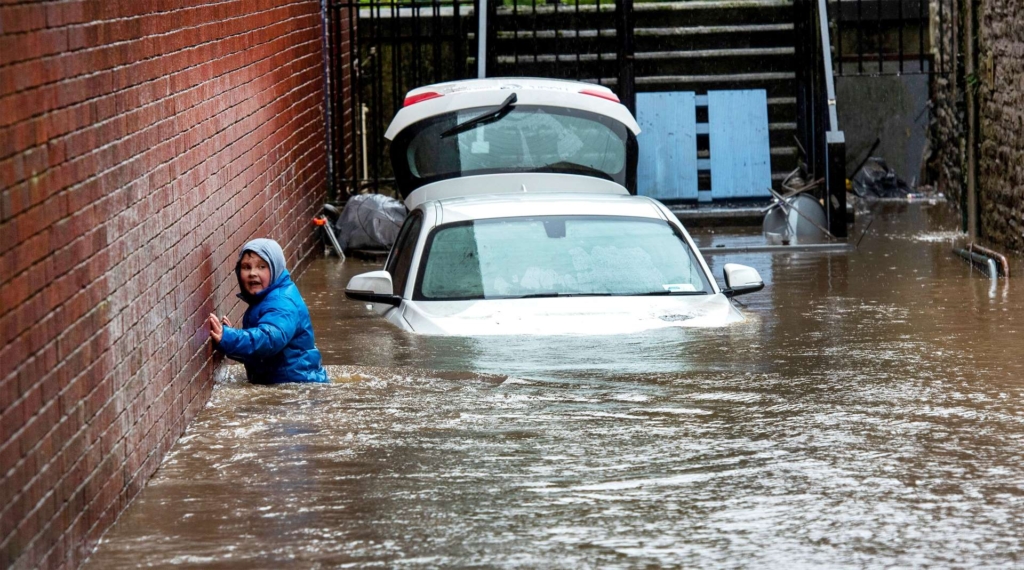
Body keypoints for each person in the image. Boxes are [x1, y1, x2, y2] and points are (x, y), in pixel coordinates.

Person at [207, 238, 329, 384]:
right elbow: (261, 355)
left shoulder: (282, 303)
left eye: (262, 267)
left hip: (297, 388)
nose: (253, 273)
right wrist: (229, 341)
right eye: (246, 267)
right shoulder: (266, 299)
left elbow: (269, 340)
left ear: (275, 268)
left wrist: (229, 337)